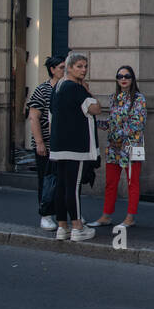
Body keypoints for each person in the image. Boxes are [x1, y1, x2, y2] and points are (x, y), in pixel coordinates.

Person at [47, 52, 100, 242]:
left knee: (61, 186)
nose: (83, 70)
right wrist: (88, 91)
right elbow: (95, 108)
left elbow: (52, 115)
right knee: (73, 187)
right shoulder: (75, 88)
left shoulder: (57, 87)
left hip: (58, 145)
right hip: (76, 147)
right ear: (69, 68)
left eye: (85, 66)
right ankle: (77, 227)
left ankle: (62, 227)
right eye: (79, 66)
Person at [90, 65, 147, 229]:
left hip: (130, 147)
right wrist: (98, 122)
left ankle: (130, 218)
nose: (123, 79)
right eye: (120, 76)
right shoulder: (113, 97)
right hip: (114, 147)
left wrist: (117, 134)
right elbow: (112, 122)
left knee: (132, 182)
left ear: (132, 79)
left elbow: (137, 124)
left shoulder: (138, 99)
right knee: (111, 182)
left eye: (127, 76)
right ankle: (106, 216)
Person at [28, 55, 66, 230]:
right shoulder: (42, 90)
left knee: (64, 181)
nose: (64, 70)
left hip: (64, 145)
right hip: (47, 144)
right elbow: (33, 117)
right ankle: (45, 214)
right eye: (61, 67)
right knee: (46, 180)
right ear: (52, 70)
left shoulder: (68, 87)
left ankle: (63, 213)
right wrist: (39, 142)